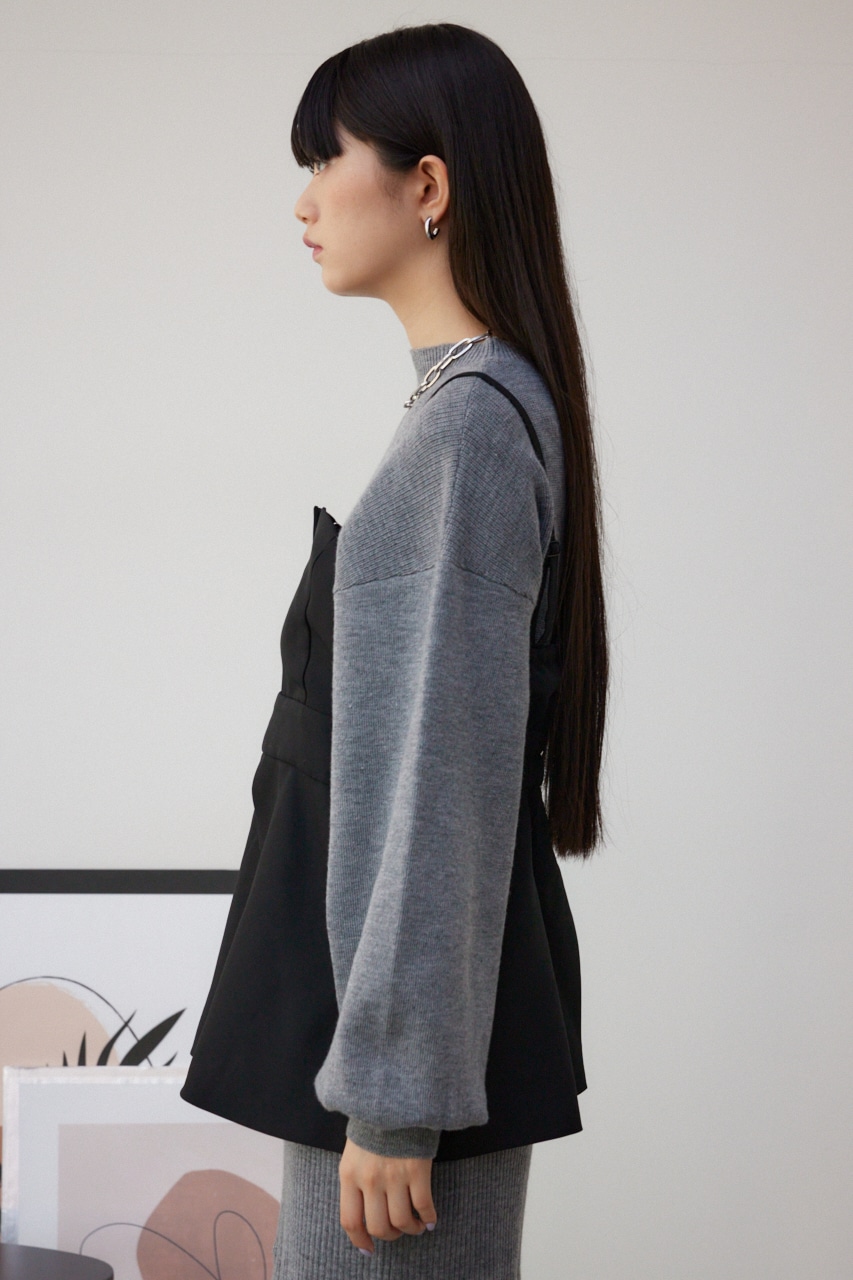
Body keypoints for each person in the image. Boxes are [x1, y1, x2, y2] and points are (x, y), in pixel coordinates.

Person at [180, 20, 609, 1278]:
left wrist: (392, 1099)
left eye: (327, 160)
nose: (304, 201)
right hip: (371, 1030)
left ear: (427, 186)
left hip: (388, 1068)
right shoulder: (469, 408)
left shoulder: (467, 432)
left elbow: (438, 784)